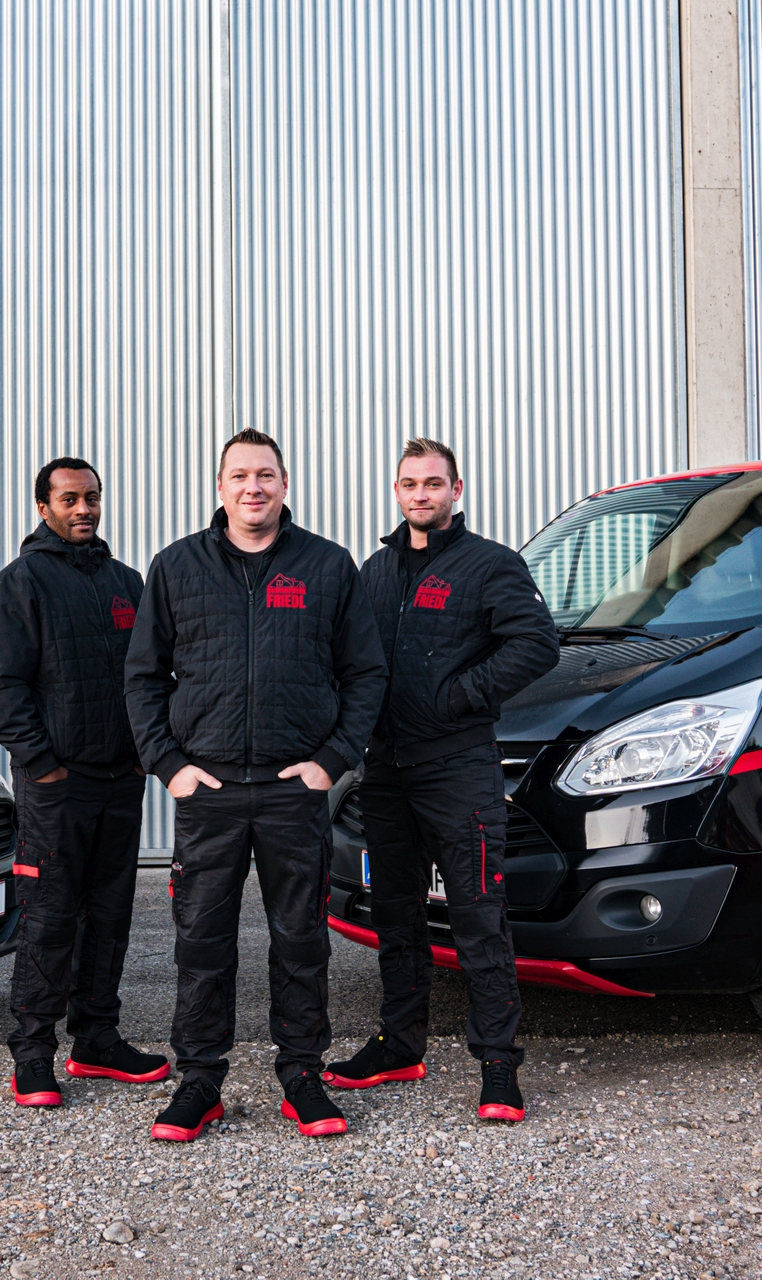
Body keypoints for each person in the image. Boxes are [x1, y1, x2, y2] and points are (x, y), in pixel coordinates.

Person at [125, 429, 387, 1142]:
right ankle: (199, 1081)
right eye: (239, 475)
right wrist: (169, 765)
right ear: (220, 487)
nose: (253, 487)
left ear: (284, 483)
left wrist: (332, 760)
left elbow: (366, 673)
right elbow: (143, 678)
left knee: (300, 939)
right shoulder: (177, 566)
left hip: (292, 789)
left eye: (265, 475)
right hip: (207, 790)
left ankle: (301, 1076)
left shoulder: (327, 566)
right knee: (201, 942)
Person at [324, 438, 559, 1121]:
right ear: (396, 491)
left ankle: (498, 1064)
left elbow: (537, 644)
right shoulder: (375, 570)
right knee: (396, 915)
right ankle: (399, 1046)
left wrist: (458, 696)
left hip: (459, 767)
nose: (420, 494)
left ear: (456, 490)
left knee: (477, 915)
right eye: (409, 483)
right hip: (386, 771)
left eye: (433, 483)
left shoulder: (491, 564)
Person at [0, 457, 169, 1109]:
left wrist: (144, 754)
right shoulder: (21, 583)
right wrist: (42, 763)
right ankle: (33, 1053)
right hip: (56, 788)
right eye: (69, 499)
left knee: (111, 915)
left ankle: (97, 1041)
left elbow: (151, 677)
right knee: (50, 917)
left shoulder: (127, 583)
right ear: (43, 508)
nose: (84, 508)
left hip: (120, 782)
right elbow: (1, 685)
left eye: (92, 497)